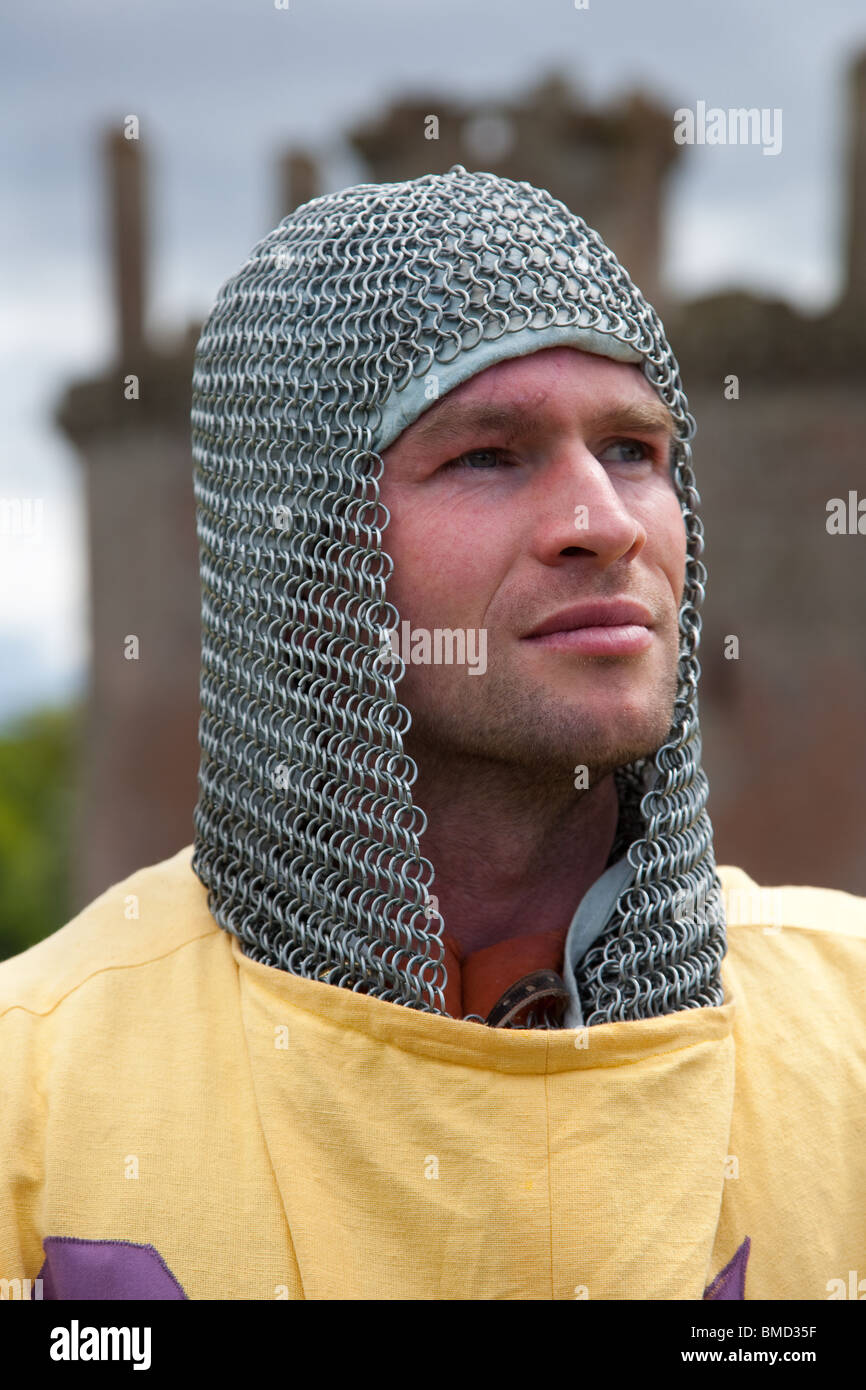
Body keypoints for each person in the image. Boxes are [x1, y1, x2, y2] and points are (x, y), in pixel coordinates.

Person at [1, 167, 863, 1302]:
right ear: (302, 558)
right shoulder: (40, 1092)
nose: (600, 524)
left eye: (632, 450)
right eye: (486, 455)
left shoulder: (847, 1028)